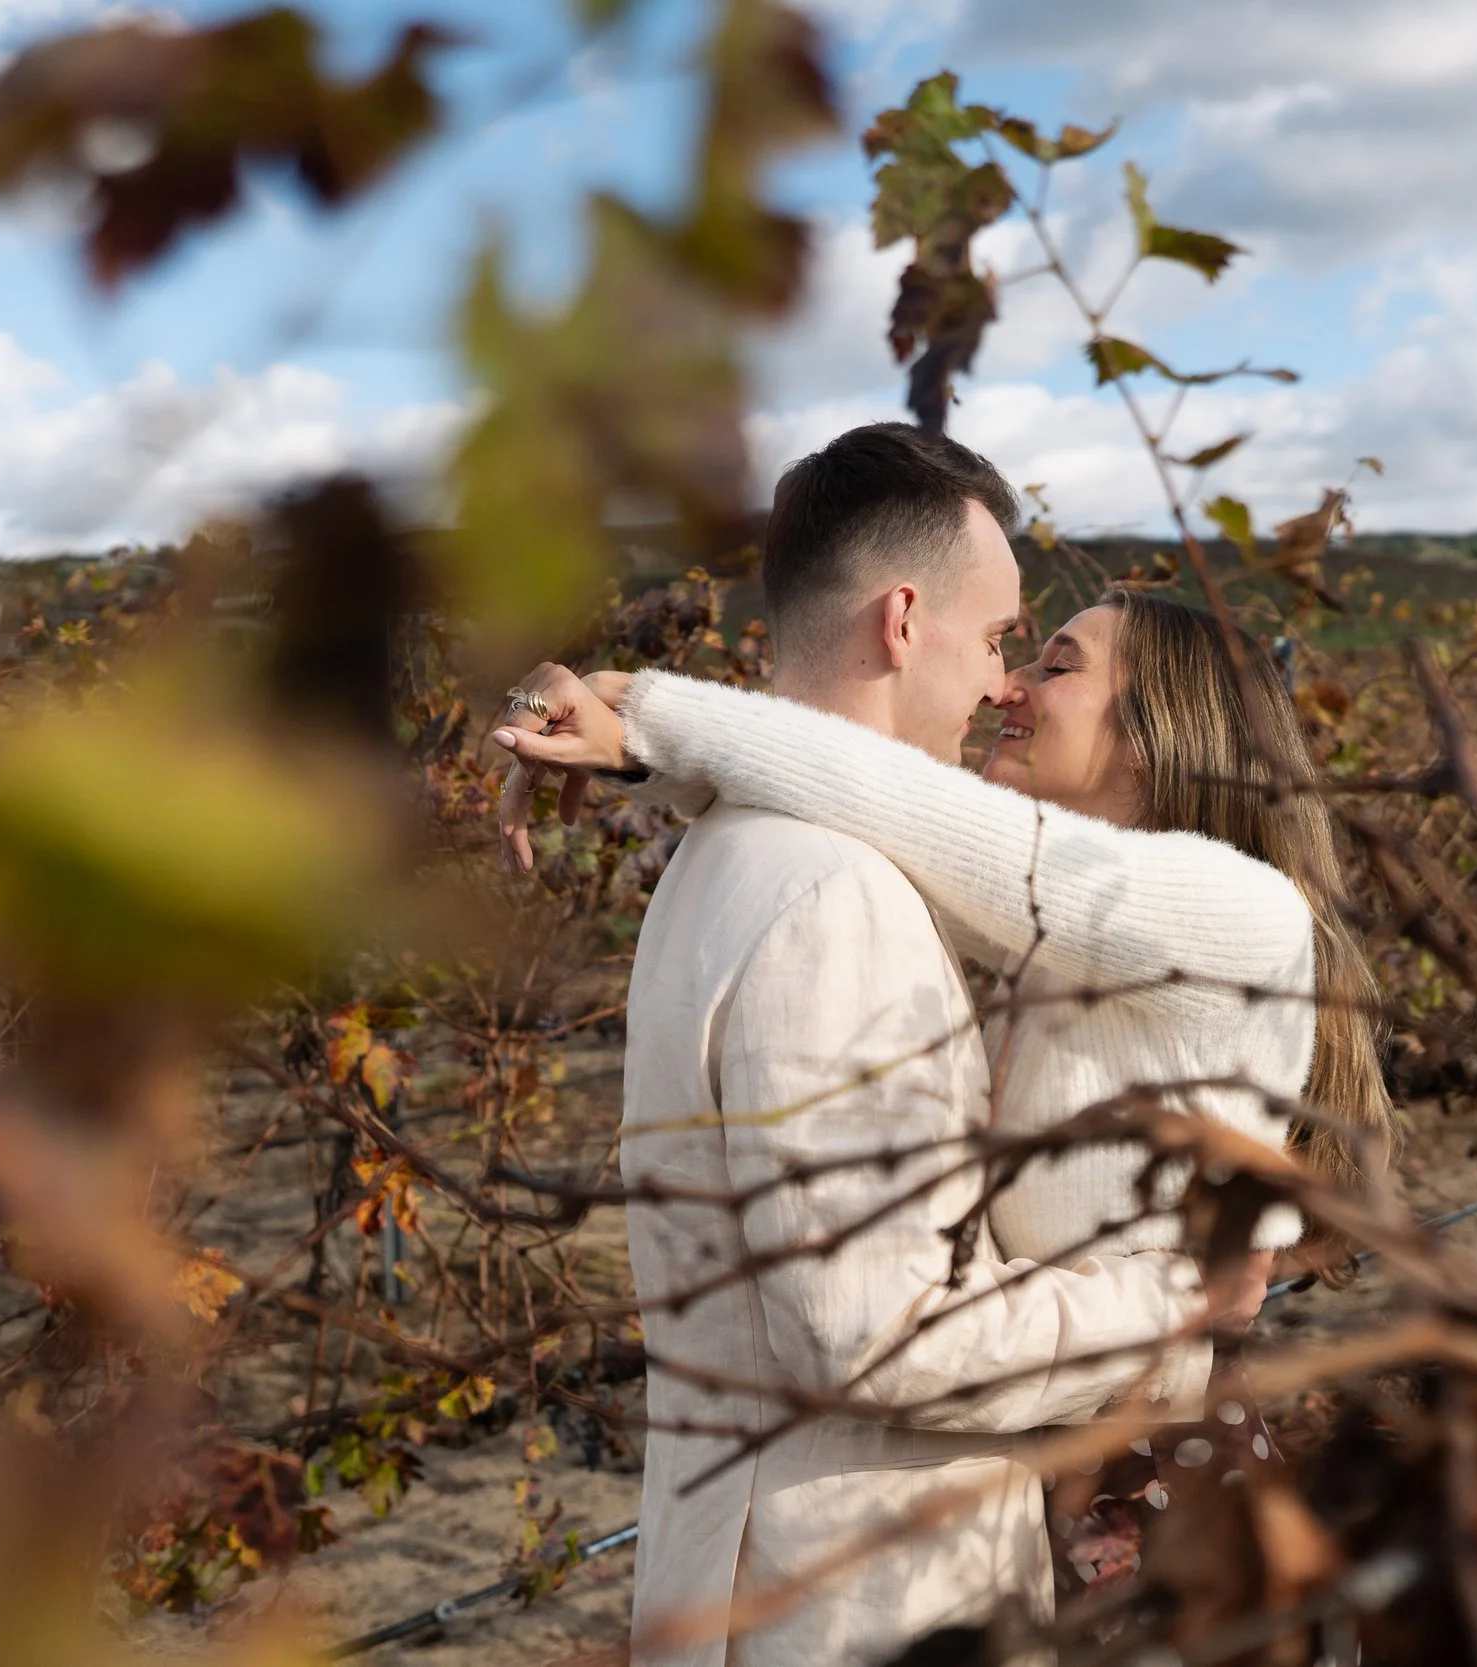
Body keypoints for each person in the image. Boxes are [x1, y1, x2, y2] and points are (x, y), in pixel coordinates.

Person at [493, 423, 1269, 1667]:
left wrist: (651, 726)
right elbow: (886, 1335)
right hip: (859, 1600)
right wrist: (1179, 1298)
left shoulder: (734, 856)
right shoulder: (831, 898)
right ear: (904, 620)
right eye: (1002, 636)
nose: (1003, 683)